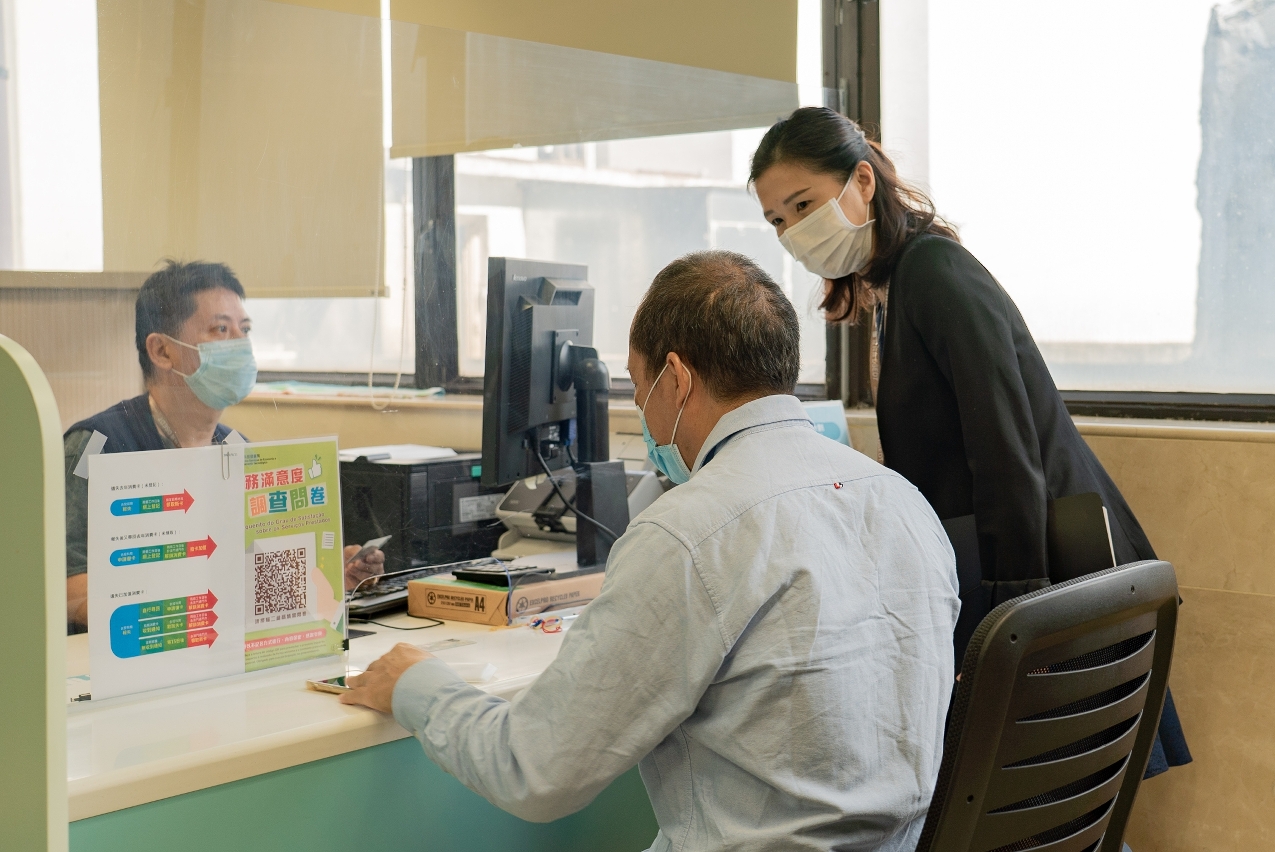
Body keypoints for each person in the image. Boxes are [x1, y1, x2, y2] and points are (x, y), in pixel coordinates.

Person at [341, 250, 961, 852]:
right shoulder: (904, 501)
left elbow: (532, 768)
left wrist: (415, 684)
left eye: (640, 390)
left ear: (677, 379)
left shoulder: (688, 532)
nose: (643, 413)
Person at [750, 105, 1191, 777]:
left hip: (1035, 570)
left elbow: (1003, 442)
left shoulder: (933, 270)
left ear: (862, 181)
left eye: (803, 204)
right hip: (1005, 569)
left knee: (1049, 790)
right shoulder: (893, 287)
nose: (792, 231)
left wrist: (1019, 609)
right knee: (1037, 794)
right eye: (777, 220)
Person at [63, 260, 383, 633]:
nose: (240, 344)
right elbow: (67, 589)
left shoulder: (237, 449)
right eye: (221, 329)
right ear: (162, 351)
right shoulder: (96, 448)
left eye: (244, 330)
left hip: (220, 647)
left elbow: (259, 579)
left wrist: (330, 576)